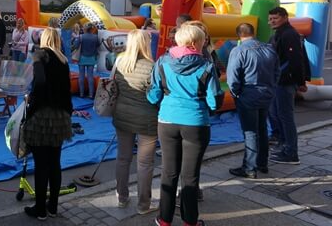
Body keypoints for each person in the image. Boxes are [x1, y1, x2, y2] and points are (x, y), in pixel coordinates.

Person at [148, 23, 223, 226]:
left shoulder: (162, 62)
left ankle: (164, 219)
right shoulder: (206, 66)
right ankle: (190, 221)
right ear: (197, 42)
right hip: (195, 122)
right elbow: (214, 101)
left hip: (167, 120)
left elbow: (153, 94)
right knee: (190, 176)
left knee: (169, 172)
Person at [23, 28, 73, 220]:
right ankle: (52, 207)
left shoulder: (40, 55)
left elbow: (39, 82)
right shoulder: (63, 60)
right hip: (60, 117)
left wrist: (31, 104)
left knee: (41, 165)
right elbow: (67, 90)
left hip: (42, 117)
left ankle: (40, 209)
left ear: (43, 40)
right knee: (54, 163)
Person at [111, 30, 158, 213]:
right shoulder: (152, 67)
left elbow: (113, 85)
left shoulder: (120, 61)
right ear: (145, 44)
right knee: (144, 163)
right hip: (146, 119)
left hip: (122, 115)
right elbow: (156, 95)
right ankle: (143, 204)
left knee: (123, 158)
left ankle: (121, 197)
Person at [227, 23, 280, 178]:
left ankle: (249, 167)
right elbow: (277, 72)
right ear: (253, 32)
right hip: (266, 93)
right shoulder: (269, 49)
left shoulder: (239, 51)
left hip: (248, 94)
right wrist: (271, 87)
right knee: (262, 128)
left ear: (239, 35)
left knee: (250, 132)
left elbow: (232, 78)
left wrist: (236, 94)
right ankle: (262, 163)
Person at [267, 6, 308, 165]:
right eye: (270, 19)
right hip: (279, 81)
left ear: (284, 17)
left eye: (275, 18)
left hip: (285, 82)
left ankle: (291, 153)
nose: (271, 22)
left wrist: (301, 82)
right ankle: (284, 146)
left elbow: (296, 60)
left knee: (286, 117)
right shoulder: (280, 33)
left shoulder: (289, 34)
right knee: (277, 114)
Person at [78, 23, 100, 98]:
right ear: (91, 29)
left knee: (81, 76)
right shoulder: (95, 37)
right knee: (90, 76)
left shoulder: (81, 36)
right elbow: (98, 45)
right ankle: (91, 94)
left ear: (84, 29)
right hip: (92, 58)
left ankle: (81, 94)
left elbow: (76, 46)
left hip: (82, 58)